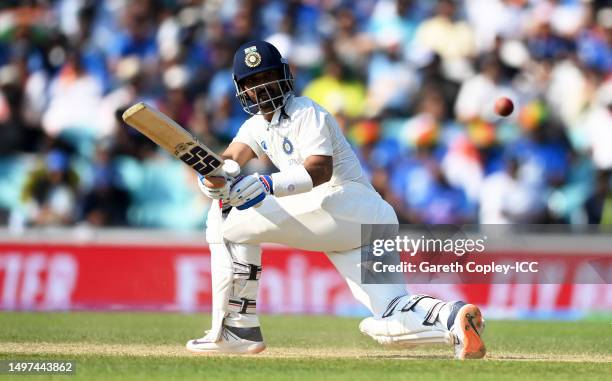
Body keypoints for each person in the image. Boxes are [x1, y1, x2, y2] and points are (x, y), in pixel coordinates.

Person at [185, 40, 486, 360]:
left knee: (226, 218)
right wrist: (214, 179)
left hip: (342, 203)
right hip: (365, 221)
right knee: (390, 315)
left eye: (267, 76)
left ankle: (238, 328)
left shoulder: (306, 111)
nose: (262, 87)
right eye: (253, 82)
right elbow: (229, 160)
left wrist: (264, 183)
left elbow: (320, 170)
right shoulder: (256, 126)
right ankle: (452, 317)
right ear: (242, 89)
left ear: (284, 75)